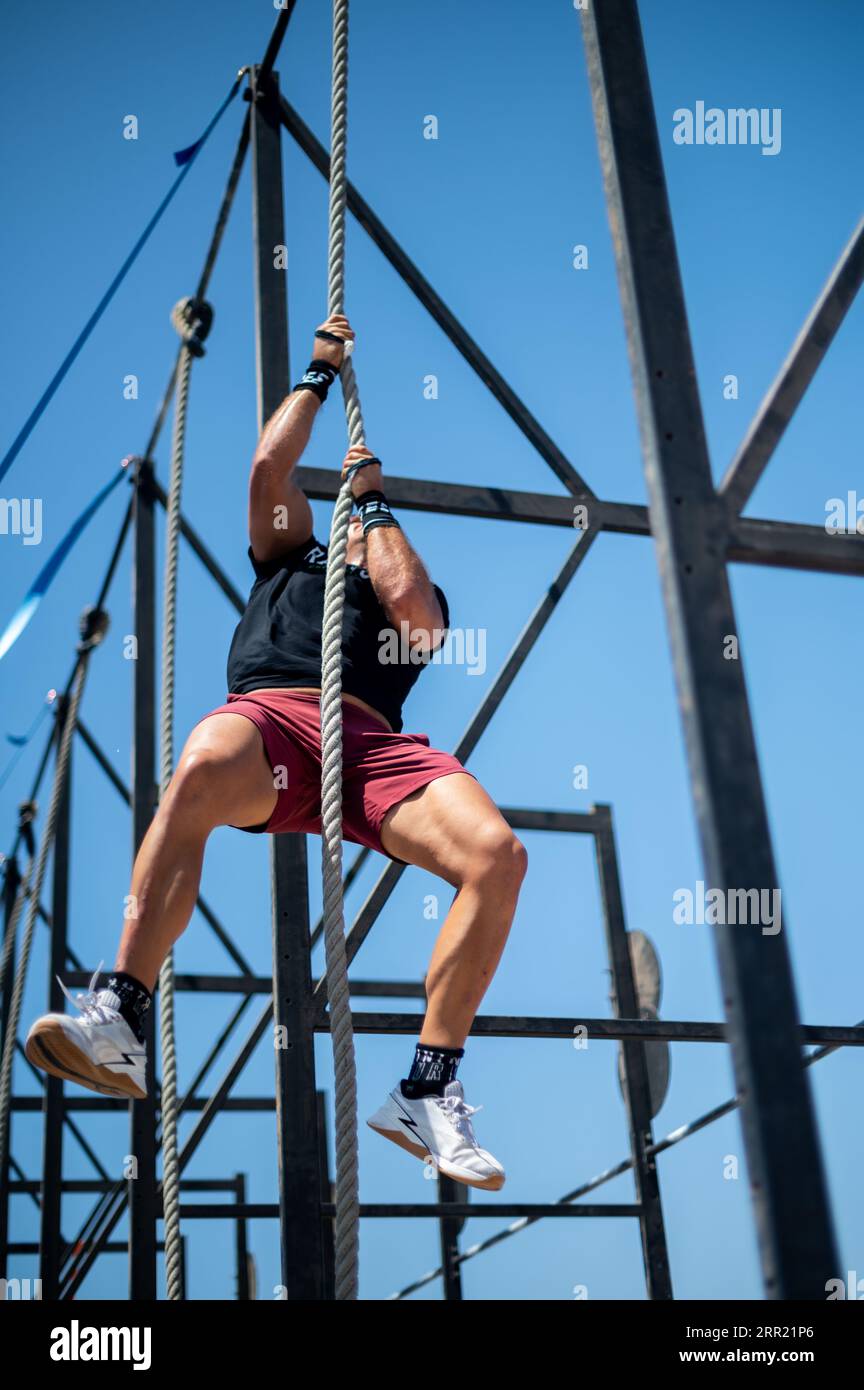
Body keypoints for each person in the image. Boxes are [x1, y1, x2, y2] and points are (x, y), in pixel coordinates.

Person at [25, 315, 527, 1191]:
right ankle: (124, 1016)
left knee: (498, 855)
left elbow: (413, 607)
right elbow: (269, 470)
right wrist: (319, 374)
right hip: (273, 724)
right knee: (202, 762)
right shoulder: (289, 557)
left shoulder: (398, 577)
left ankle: (427, 1090)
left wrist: (373, 505)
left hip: (374, 748)